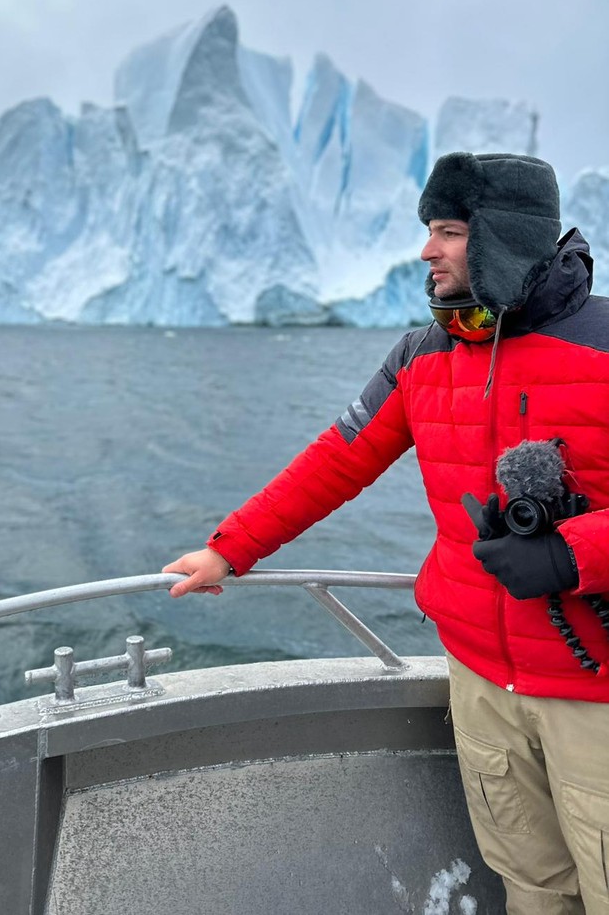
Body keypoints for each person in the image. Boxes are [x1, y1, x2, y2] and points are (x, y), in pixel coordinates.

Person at [163, 151, 609, 915]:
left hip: (593, 695)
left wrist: (575, 552)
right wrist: (229, 547)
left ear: (502, 235)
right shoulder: (422, 356)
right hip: (481, 684)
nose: (427, 250)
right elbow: (334, 461)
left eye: (447, 231)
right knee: (533, 886)